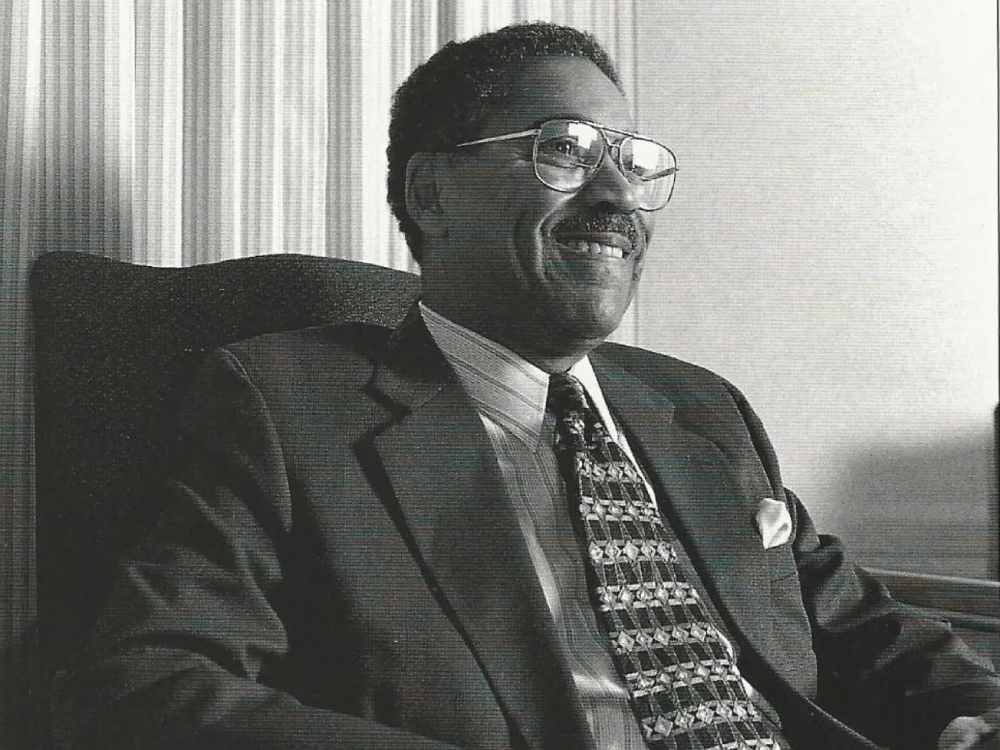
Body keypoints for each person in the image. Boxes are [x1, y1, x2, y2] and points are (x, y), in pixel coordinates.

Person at [53, 21, 998, 750]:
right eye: (566, 150)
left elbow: (860, 626)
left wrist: (976, 708)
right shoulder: (288, 405)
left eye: (633, 162)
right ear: (431, 193)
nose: (618, 197)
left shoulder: (702, 409)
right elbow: (153, 680)